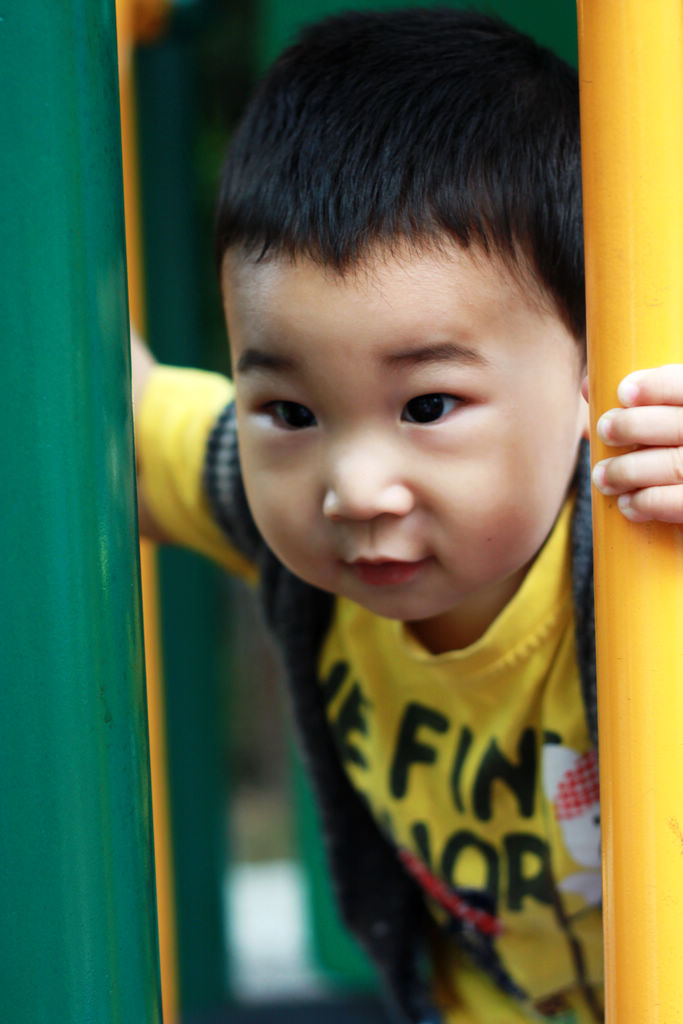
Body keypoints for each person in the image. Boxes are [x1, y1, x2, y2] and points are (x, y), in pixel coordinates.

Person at [132, 9, 683, 1023]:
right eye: (290, 411)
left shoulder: (641, 543)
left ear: (583, 374)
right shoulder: (279, 520)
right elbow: (109, 412)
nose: (355, 487)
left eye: (427, 407)